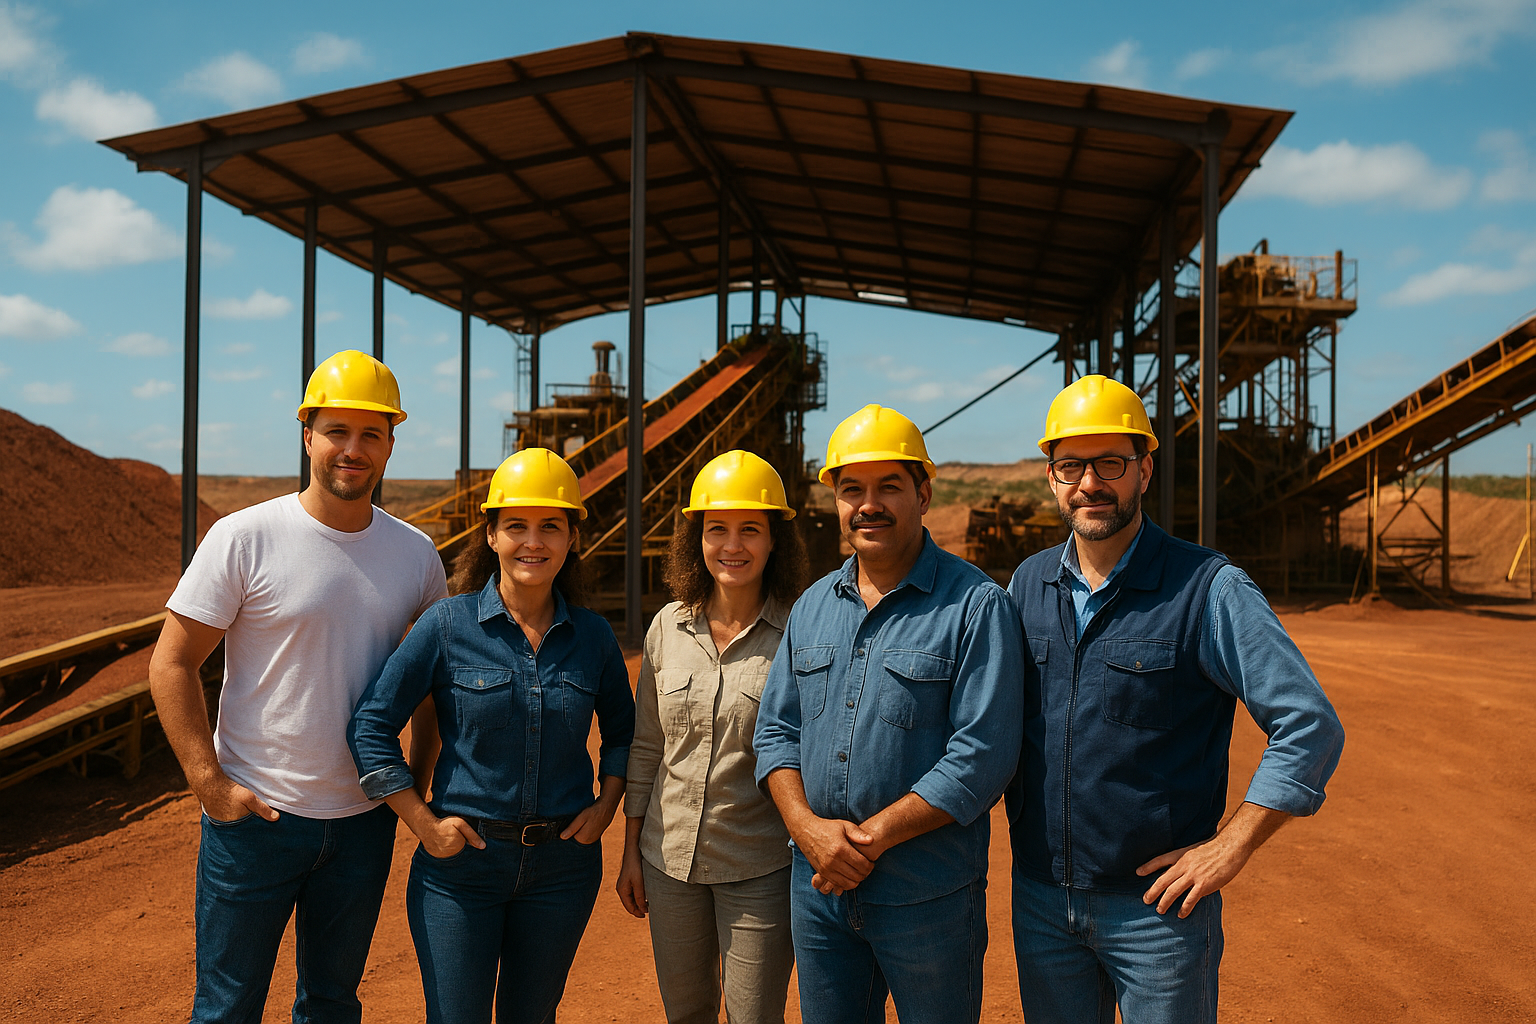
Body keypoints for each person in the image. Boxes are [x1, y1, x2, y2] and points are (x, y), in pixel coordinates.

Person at [1006, 374, 1346, 1024]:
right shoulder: (1028, 585)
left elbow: (1309, 725)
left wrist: (1231, 845)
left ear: (1144, 470)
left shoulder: (1207, 588)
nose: (1089, 483)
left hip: (1157, 913)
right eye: (1070, 464)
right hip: (1043, 901)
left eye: (1111, 462)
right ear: (1050, 475)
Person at [148, 349, 448, 1024]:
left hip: (364, 819)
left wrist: (415, 784)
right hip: (256, 819)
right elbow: (171, 663)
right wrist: (208, 782)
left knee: (332, 1005)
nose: (353, 448)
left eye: (371, 433)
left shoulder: (417, 556)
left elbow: (432, 684)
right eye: (337, 430)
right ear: (307, 434)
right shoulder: (244, 538)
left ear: (392, 445)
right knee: (227, 1007)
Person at [753, 405, 1025, 1024]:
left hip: (926, 899)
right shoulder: (813, 606)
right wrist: (809, 830)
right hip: (819, 895)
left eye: (888, 487)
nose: (867, 504)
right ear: (835, 501)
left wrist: (865, 842)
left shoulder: (976, 606)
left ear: (924, 494)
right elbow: (776, 731)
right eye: (852, 489)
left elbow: (982, 757)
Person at [348, 446, 635, 1024]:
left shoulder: (594, 637)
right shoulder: (446, 626)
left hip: (563, 869)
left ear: (572, 537)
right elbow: (371, 724)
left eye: (551, 526)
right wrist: (421, 822)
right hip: (461, 870)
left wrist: (606, 806)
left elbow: (626, 735)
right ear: (493, 535)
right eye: (517, 526)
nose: (534, 541)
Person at [616, 450, 809, 1024]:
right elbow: (648, 747)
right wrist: (630, 852)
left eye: (750, 529)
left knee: (754, 1016)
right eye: (716, 529)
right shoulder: (666, 627)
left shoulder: (800, 633)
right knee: (687, 1013)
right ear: (696, 539)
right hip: (666, 861)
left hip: (759, 866)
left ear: (775, 539)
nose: (733, 545)